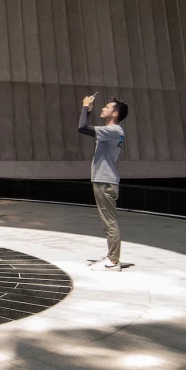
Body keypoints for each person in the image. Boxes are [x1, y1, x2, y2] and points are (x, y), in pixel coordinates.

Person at [78, 93, 128, 270]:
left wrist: (85, 107)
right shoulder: (110, 131)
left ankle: (113, 261)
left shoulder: (114, 130)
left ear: (115, 113)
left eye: (107, 107)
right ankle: (111, 257)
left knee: (109, 222)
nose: (102, 108)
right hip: (104, 179)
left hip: (105, 181)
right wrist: (88, 111)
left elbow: (82, 127)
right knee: (107, 221)